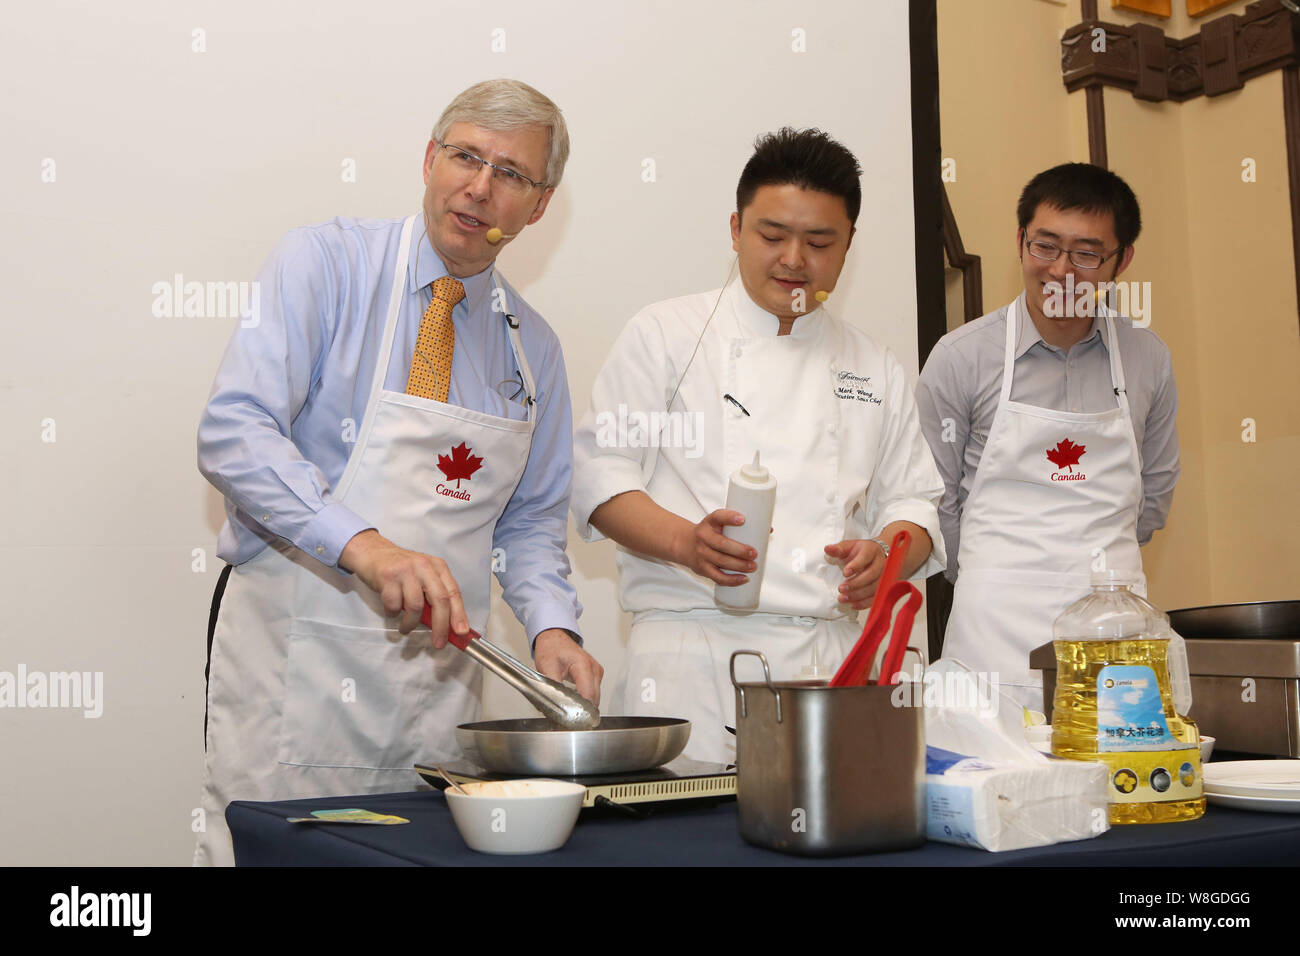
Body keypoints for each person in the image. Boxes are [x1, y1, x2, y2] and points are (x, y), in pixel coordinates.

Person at [194, 79, 603, 866]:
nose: (480, 188)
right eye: (465, 157)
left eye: (511, 175)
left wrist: (553, 626)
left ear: (540, 205)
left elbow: (528, 522)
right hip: (295, 674)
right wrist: (366, 546)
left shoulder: (534, 350)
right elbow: (234, 432)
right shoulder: (326, 264)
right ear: (429, 158)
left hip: (433, 699)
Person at [570, 128, 945, 763]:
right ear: (736, 228)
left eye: (820, 242)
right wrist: (688, 542)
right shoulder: (666, 333)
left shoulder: (873, 365)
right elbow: (600, 479)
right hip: (692, 662)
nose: (794, 260)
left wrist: (888, 552)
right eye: (772, 236)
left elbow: (917, 504)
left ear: (849, 244)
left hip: (832, 666)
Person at [916, 162, 1178, 711]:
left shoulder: (1147, 358)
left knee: (1122, 782)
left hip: (1117, 630)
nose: (1061, 270)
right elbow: (935, 500)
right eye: (1045, 246)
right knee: (994, 783)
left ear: (1121, 260)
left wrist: (1098, 575)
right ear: (1019, 241)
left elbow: (1151, 498)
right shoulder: (962, 357)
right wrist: (997, 575)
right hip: (993, 632)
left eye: (1086, 253)